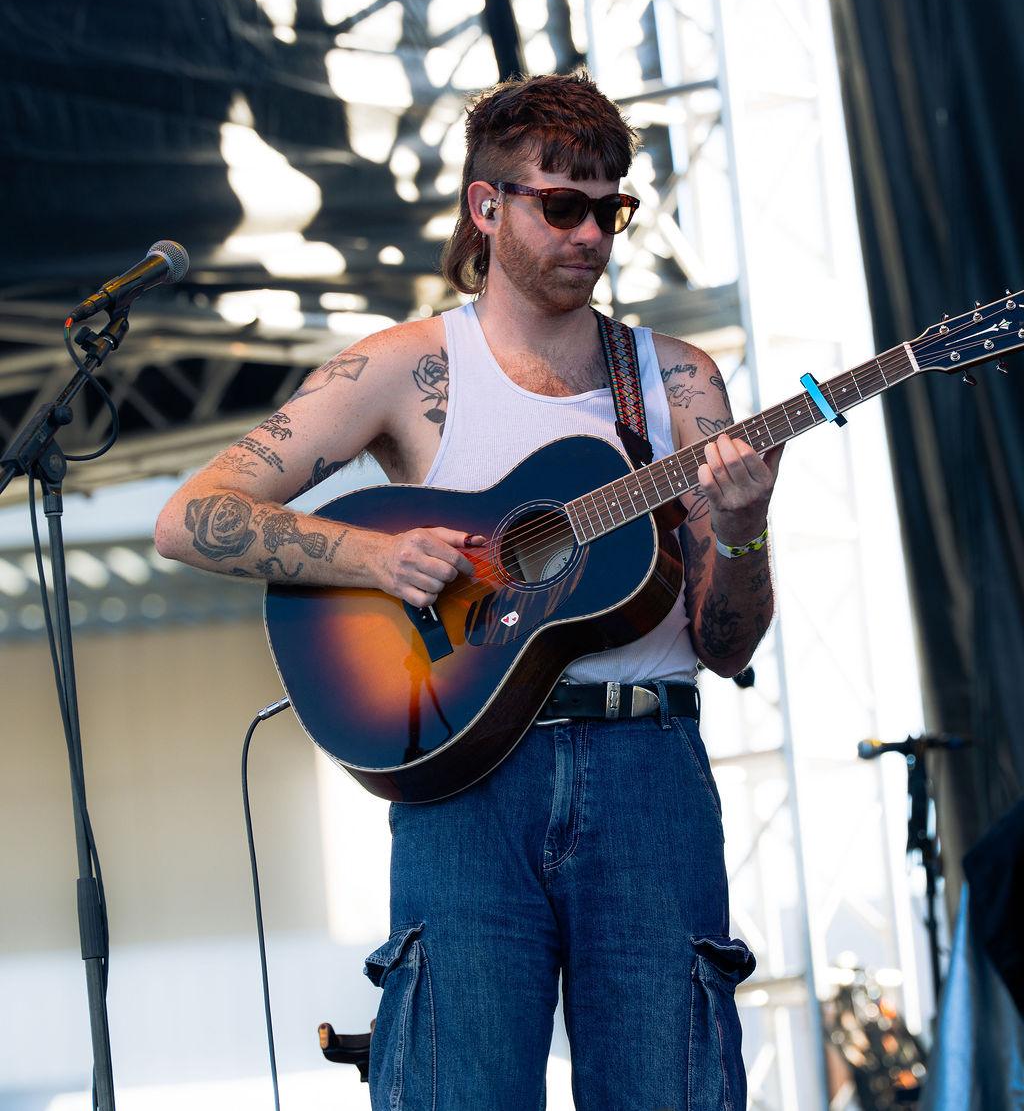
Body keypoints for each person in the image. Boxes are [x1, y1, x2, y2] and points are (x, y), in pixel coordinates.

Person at [155, 70, 782, 1109]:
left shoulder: (677, 382)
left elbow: (728, 644)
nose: (592, 235)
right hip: (464, 781)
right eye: (562, 205)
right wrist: (369, 557)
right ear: (486, 206)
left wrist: (745, 528)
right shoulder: (405, 367)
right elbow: (192, 514)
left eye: (611, 210)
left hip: (649, 769)